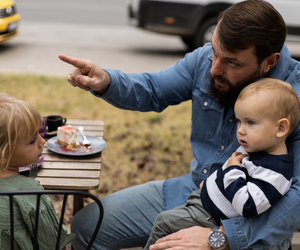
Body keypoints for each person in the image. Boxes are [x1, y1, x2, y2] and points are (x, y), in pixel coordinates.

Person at [58, 0, 300, 249]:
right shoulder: (207, 61)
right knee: (84, 228)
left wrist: (221, 238)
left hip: (245, 219)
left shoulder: (295, 98)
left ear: (269, 62)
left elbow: (297, 198)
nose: (214, 68)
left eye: (231, 62)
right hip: (194, 190)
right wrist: (106, 80)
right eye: (214, 52)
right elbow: (153, 89)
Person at [143, 78, 300, 249]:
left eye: (251, 122)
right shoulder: (257, 146)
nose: (240, 129)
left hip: (213, 216)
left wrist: (232, 171)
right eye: (240, 121)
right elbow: (233, 173)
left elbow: (247, 204)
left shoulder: (275, 174)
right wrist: (213, 181)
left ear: (281, 128)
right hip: (205, 200)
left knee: (164, 222)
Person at [0, 93, 75, 250]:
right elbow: (52, 242)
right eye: (33, 140)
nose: (42, 141)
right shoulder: (30, 192)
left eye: (39, 134)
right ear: (4, 155)